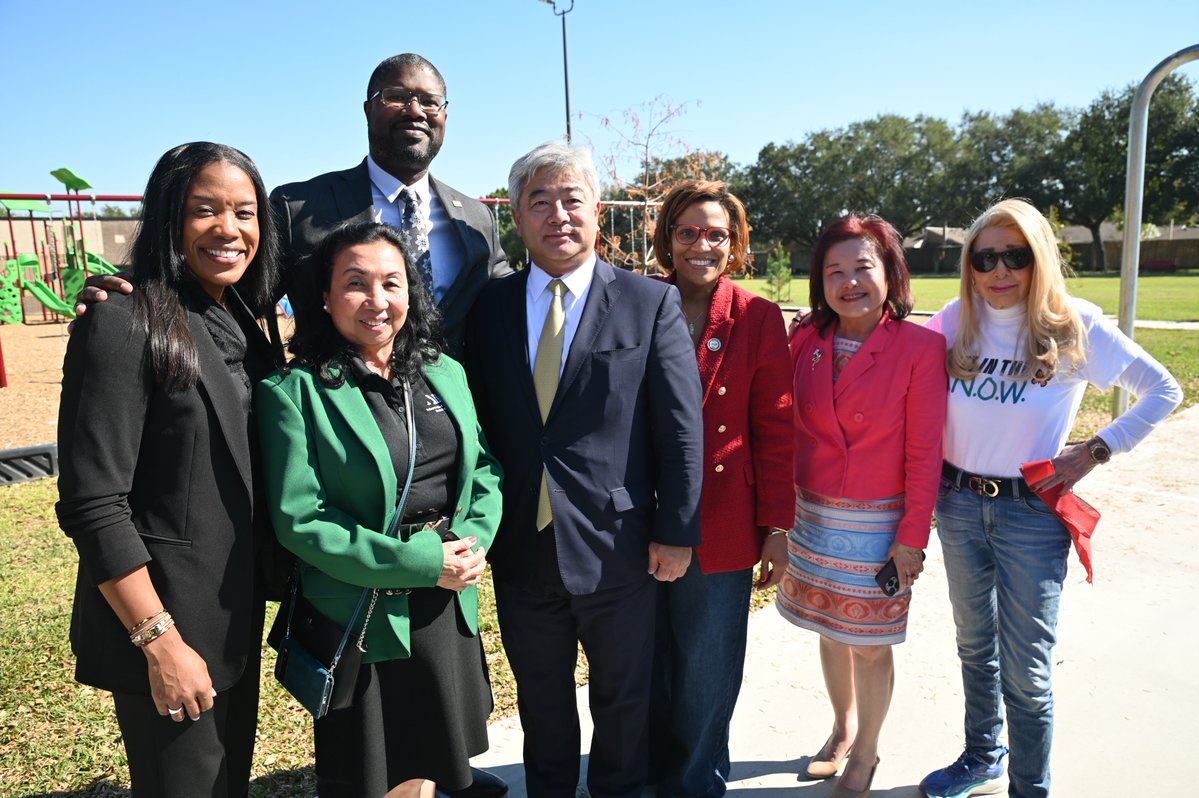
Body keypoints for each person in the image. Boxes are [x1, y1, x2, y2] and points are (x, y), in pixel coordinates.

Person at [918, 199, 1182, 798]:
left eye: (1017, 255)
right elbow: (901, 375)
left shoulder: (1074, 325)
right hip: (956, 504)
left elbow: (1162, 390)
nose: (1000, 270)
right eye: (986, 258)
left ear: (1039, 259)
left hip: (1032, 515)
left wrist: (1094, 451)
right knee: (973, 645)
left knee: (1027, 669)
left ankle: (1029, 787)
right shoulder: (957, 319)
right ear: (971, 265)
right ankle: (982, 756)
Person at [464, 141, 704, 798]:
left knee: (624, 705)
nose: (557, 214)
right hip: (520, 547)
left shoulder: (647, 303)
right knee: (540, 704)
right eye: (539, 200)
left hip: (621, 547)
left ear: (597, 211)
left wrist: (677, 530)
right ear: (515, 214)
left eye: (571, 199)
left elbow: (681, 428)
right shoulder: (487, 308)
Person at [56, 142, 280, 797]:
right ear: (167, 218)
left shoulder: (238, 317)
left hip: (230, 618)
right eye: (204, 209)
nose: (229, 228)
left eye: (245, 212)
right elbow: (93, 502)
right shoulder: (122, 321)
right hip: (171, 625)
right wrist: (160, 644)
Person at [255, 221, 503, 798]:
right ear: (323, 295)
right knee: (373, 773)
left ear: (410, 294)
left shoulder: (446, 372)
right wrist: (423, 563)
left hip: (445, 603)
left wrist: (472, 543)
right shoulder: (295, 392)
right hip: (363, 610)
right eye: (355, 283)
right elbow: (302, 520)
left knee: (427, 759)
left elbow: (484, 470)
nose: (377, 300)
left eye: (392, 283)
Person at [770, 215, 947, 798]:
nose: (849, 282)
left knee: (869, 644)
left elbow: (926, 453)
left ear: (889, 273)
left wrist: (911, 539)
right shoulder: (805, 340)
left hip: (879, 520)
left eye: (862, 268)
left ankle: (866, 753)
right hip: (813, 514)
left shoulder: (922, 348)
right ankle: (842, 729)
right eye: (834, 271)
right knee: (828, 626)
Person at [647, 179, 794, 797]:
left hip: (726, 519)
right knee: (647, 664)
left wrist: (779, 528)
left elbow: (777, 426)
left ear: (734, 243)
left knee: (707, 669)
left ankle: (697, 783)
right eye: (688, 231)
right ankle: (649, 772)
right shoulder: (638, 299)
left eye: (716, 234)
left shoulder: (756, 316)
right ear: (667, 238)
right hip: (642, 516)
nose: (701, 244)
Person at [270, 52, 510, 358]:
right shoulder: (297, 209)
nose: (415, 111)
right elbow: (238, 306)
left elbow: (515, 302)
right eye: (396, 97)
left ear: (444, 117)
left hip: (452, 401)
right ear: (368, 110)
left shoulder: (478, 220)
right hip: (338, 397)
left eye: (429, 101)